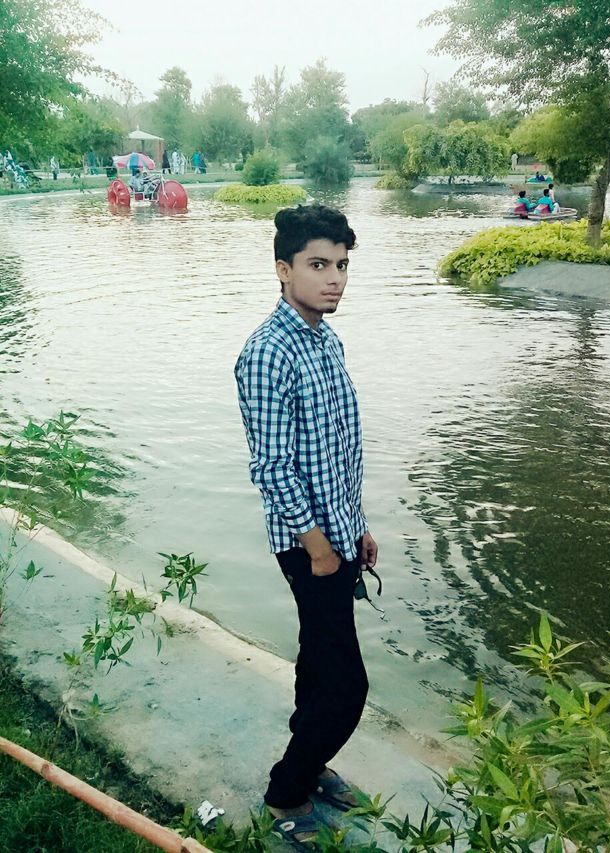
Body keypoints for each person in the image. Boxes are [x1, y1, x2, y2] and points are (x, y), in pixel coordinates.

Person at [235, 204, 378, 848]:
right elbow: (272, 467)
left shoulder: (325, 340)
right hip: (308, 545)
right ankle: (286, 793)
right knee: (347, 688)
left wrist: (358, 527)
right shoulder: (268, 353)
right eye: (318, 265)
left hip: (340, 534)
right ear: (282, 269)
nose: (334, 278)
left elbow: (338, 449)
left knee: (319, 664)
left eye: (342, 265)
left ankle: (311, 766)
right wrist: (320, 548)